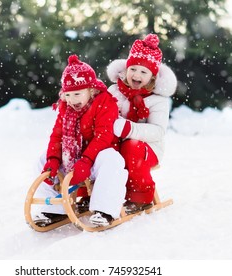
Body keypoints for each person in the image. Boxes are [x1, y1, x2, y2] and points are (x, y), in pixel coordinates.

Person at [34, 54, 128, 227]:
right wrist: (53, 159)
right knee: (42, 159)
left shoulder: (105, 102)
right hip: (74, 157)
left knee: (112, 160)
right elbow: (57, 136)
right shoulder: (65, 107)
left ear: (91, 90)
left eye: (77, 94)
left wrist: (86, 160)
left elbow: (103, 136)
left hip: (96, 156)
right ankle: (54, 210)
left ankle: (104, 210)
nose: (72, 100)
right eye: (68, 95)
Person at [106, 34, 177, 214]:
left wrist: (129, 129)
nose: (136, 75)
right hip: (117, 143)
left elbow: (158, 131)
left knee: (132, 146)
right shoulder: (114, 90)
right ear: (126, 69)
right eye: (133, 69)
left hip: (148, 149)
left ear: (153, 77)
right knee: (98, 148)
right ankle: (95, 192)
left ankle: (139, 197)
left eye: (144, 72)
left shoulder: (157, 100)